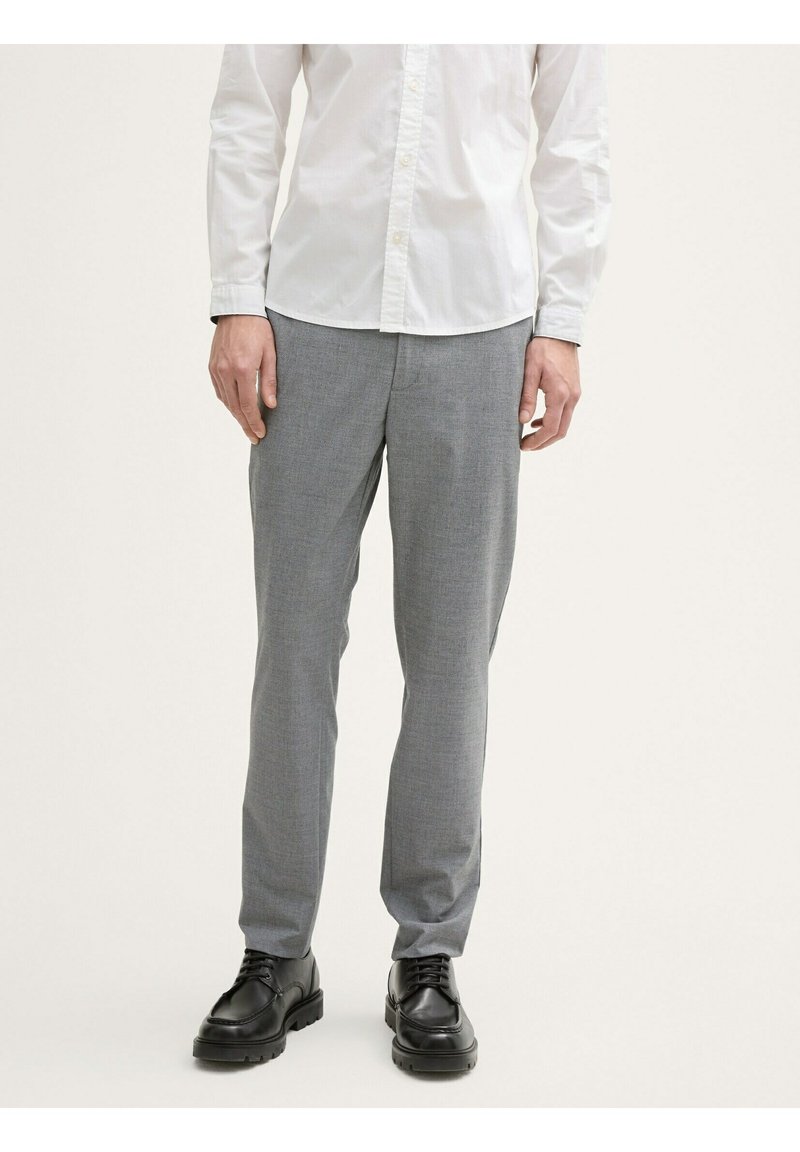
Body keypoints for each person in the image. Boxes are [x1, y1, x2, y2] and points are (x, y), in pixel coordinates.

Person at [192, 43, 610, 1075]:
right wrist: (235, 297)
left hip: (479, 324)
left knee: (450, 659)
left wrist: (562, 323)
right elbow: (248, 109)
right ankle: (275, 953)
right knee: (293, 647)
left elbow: (574, 138)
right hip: (310, 318)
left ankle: (427, 955)